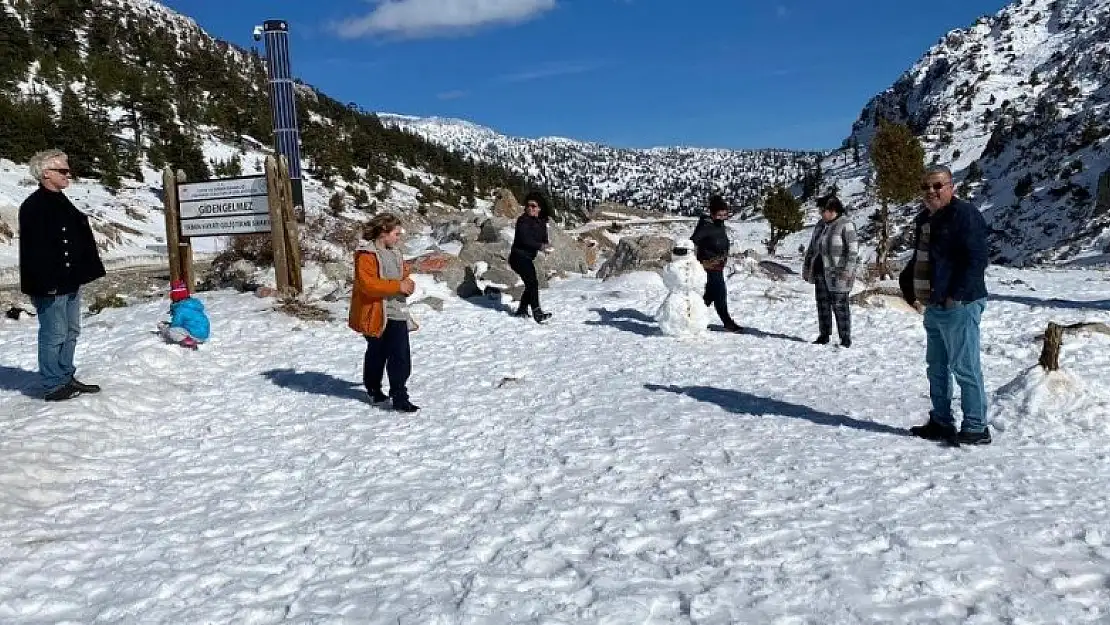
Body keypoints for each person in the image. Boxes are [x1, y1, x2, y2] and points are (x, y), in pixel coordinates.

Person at [900, 165, 991, 445]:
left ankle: (976, 427)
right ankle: (941, 421)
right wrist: (908, 286)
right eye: (926, 187)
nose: (931, 192)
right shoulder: (925, 218)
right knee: (936, 366)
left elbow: (976, 259)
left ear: (951, 186)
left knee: (965, 367)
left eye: (937, 186)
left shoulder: (965, 215)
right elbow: (921, 257)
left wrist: (957, 295)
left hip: (959, 304)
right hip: (934, 304)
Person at [18, 149, 106, 401]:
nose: (69, 174)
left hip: (69, 281)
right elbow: (35, 252)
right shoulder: (33, 206)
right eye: (63, 171)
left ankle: (65, 376)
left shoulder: (60, 200)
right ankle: (53, 384)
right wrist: (47, 284)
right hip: (50, 284)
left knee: (71, 330)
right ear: (46, 173)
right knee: (54, 333)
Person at [348, 213, 420, 412]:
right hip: (374, 313)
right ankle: (373, 388)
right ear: (383, 233)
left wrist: (408, 283)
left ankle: (399, 394)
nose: (399, 238)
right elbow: (368, 285)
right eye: (396, 234)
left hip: (396, 311)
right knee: (377, 353)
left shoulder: (395, 252)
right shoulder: (366, 255)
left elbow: (402, 273)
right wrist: (398, 285)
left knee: (400, 355)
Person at [802, 196, 858, 347]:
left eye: (823, 210)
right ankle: (824, 334)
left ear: (833, 210)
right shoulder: (820, 225)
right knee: (822, 304)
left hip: (838, 273)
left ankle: (845, 338)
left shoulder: (846, 225)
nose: (821, 213)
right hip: (820, 271)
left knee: (840, 306)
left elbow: (853, 251)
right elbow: (812, 248)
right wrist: (807, 267)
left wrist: (848, 270)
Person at [691, 194, 741, 332]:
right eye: (719, 215)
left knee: (709, 295)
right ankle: (727, 322)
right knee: (720, 293)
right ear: (712, 214)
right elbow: (693, 240)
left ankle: (692, 317)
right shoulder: (706, 226)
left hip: (718, 265)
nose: (722, 218)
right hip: (709, 266)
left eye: (725, 215)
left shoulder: (718, 224)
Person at [509, 190, 552, 323]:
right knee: (532, 283)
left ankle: (522, 309)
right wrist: (540, 247)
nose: (530, 208)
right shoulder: (523, 221)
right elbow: (525, 239)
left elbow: (544, 239)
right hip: (518, 257)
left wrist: (546, 246)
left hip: (528, 257)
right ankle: (537, 312)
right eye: (528, 205)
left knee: (530, 284)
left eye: (533, 206)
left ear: (539, 208)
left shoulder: (542, 223)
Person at [655, 238, 709, 337]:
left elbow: (667, 282)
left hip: (677, 296)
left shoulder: (671, 267)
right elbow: (701, 282)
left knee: (676, 311)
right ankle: (689, 329)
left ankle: (681, 329)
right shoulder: (697, 266)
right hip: (691, 295)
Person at [158, 280, 210, 349]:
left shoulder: (180, 309)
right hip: (204, 335)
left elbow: (176, 324)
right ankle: (190, 339)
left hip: (196, 336)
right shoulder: (191, 304)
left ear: (175, 296)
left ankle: (189, 342)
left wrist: (166, 327)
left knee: (172, 331)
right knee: (184, 326)